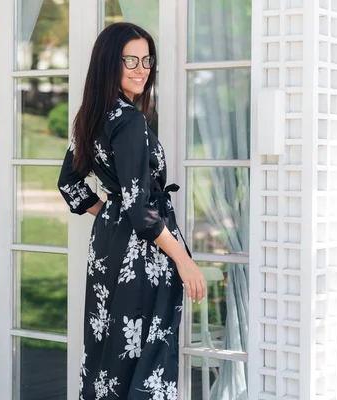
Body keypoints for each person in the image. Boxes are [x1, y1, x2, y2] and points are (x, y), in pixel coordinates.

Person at [57, 22, 206, 399]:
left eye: (147, 60)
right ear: (110, 63)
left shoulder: (92, 115)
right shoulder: (129, 120)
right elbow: (141, 211)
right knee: (144, 355)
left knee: (110, 353)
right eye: (130, 61)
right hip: (140, 260)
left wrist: (111, 213)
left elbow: (70, 185)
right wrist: (184, 260)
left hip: (108, 251)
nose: (142, 69)